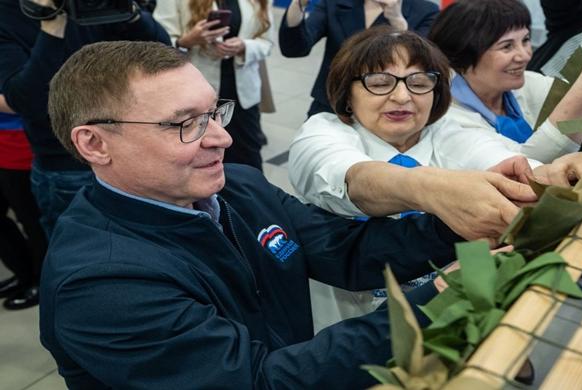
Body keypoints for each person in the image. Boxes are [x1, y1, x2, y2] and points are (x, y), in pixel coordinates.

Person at [39, 40, 469, 389]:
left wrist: (459, 218)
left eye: (213, 112)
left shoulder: (237, 187)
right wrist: (439, 300)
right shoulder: (102, 283)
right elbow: (260, 380)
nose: (222, 137)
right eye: (185, 123)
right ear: (94, 144)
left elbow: (345, 251)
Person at [288, 26, 582, 331]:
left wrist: (547, 177)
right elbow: (350, 177)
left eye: (419, 82)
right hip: (351, 328)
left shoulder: (451, 132)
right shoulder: (322, 132)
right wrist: (427, 188)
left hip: (445, 321)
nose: (401, 96)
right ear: (347, 95)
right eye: (380, 83)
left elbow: (500, 161)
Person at [0, 0, 170, 239]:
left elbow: (162, 54)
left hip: (136, 147)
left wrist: (131, 13)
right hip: (66, 165)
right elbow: (28, 101)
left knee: (153, 242)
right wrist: (51, 26)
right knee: (84, 252)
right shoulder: (8, 15)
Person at [427, 0, 582, 164]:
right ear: (462, 53)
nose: (525, 55)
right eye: (507, 46)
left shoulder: (522, 86)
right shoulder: (448, 120)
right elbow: (524, 169)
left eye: (525, 40)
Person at [154, 0, 273, 171]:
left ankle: (251, 195)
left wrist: (244, 46)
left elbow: (267, 43)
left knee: (248, 154)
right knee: (201, 155)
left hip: (242, 91)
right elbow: (158, 44)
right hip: (194, 91)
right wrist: (187, 41)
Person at [278, 0, 438, 116]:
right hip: (332, 102)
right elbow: (295, 48)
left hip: (388, 108)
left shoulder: (426, 10)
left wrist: (397, 21)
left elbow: (426, 61)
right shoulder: (335, 3)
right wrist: (298, 3)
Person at [0, 93, 46, 310]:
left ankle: (40, 281)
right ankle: (24, 273)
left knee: (31, 220)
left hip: (17, 144)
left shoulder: (15, 58)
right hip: (6, 141)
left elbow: (28, 97)